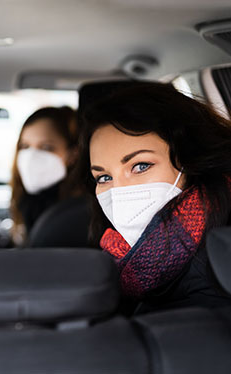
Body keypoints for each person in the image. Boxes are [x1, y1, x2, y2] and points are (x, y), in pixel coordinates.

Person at [79, 82, 231, 314]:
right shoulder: (122, 266)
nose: (119, 189)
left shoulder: (217, 269)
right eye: (103, 177)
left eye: (140, 166)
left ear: (191, 162)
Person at [9, 106, 82, 245]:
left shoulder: (77, 215)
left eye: (46, 148)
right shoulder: (26, 204)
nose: (31, 156)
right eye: (25, 146)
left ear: (72, 155)